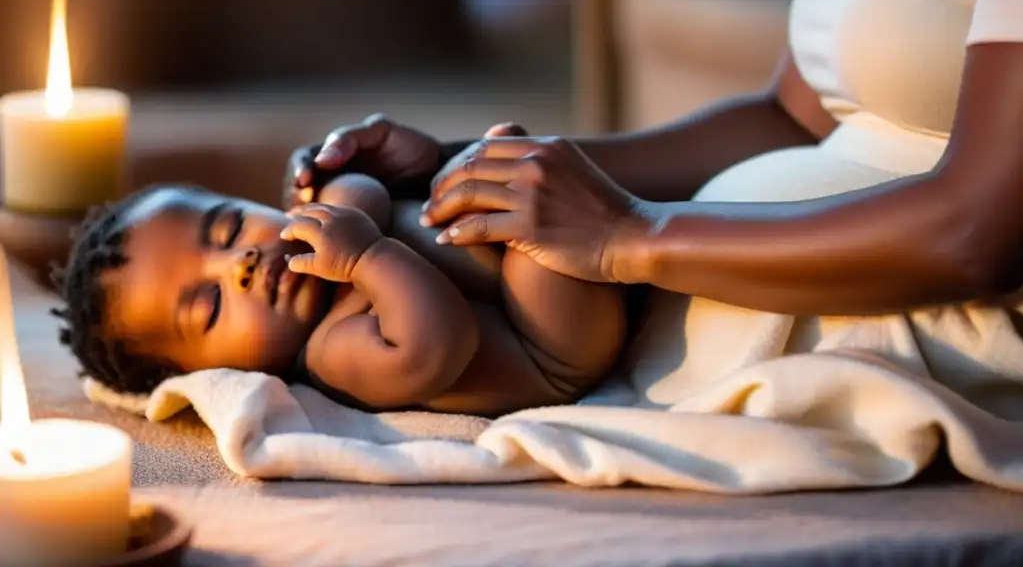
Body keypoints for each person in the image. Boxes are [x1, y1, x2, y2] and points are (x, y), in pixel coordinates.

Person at [284, 0, 1023, 408]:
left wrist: (629, 236)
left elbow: (977, 235)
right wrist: (460, 163)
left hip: (936, 346)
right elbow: (792, 120)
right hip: (703, 342)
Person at [50, 142, 628, 416]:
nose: (240, 265)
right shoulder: (333, 353)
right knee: (534, 240)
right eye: (209, 307)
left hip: (518, 278)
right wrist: (363, 258)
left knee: (500, 164)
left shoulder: (317, 235)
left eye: (229, 230)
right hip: (553, 343)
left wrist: (324, 193)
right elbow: (441, 342)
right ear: (213, 374)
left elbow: (367, 193)